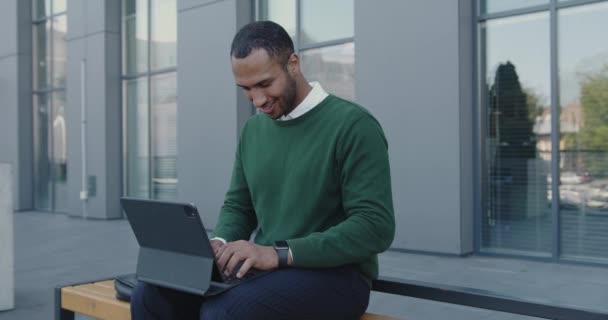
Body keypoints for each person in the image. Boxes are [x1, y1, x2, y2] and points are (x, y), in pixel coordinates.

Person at [131, 20, 395, 320]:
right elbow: (239, 207)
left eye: (265, 84)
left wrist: (276, 252)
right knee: (151, 295)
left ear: (293, 64)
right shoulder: (253, 132)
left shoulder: (353, 126)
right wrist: (218, 245)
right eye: (245, 89)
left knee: (224, 313)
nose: (257, 100)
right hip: (267, 271)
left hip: (337, 277)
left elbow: (375, 227)